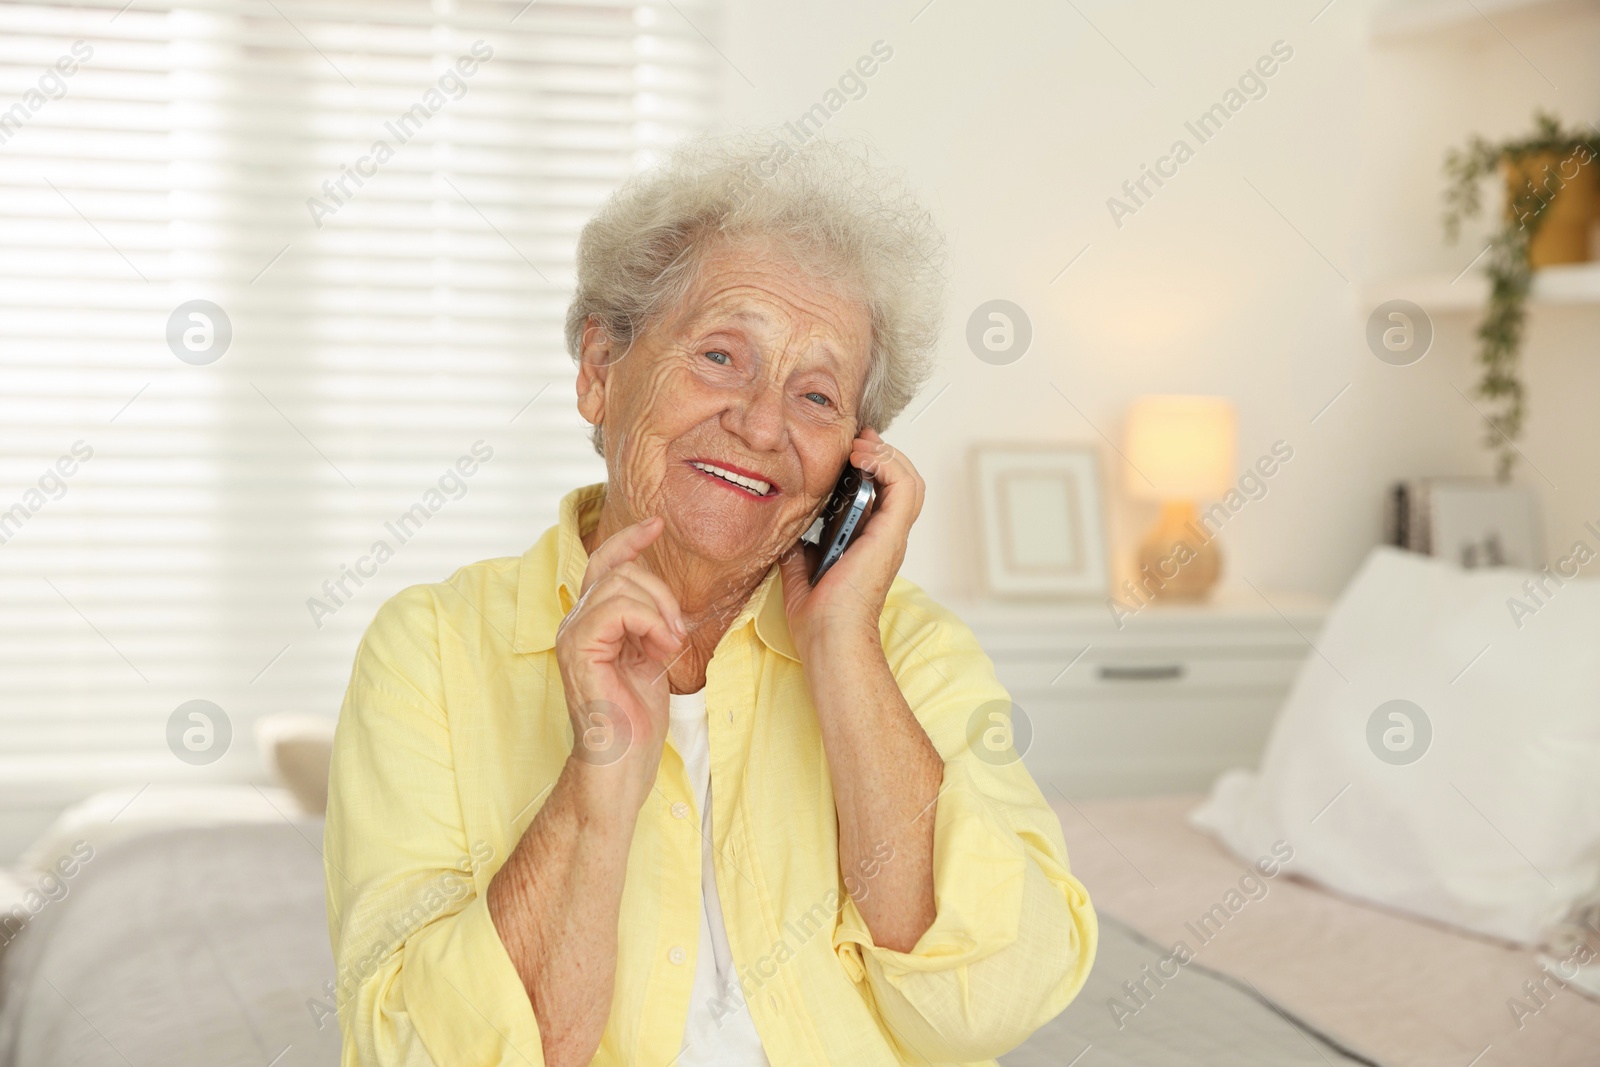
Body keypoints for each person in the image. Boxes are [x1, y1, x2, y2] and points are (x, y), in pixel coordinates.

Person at [324, 130, 1097, 1067]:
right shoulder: (431, 650)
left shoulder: (910, 649)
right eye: (722, 356)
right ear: (600, 370)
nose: (763, 422)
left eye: (817, 396)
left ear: (855, 455)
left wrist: (844, 646)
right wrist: (598, 784)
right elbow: (415, 1053)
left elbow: (988, 1006)